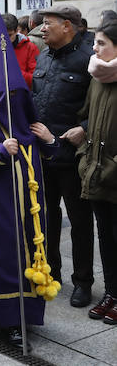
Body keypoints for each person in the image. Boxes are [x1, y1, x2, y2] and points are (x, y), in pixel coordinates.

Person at [0, 2, 60, 351]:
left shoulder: (31, 126)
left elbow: (51, 158)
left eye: (21, 97)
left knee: (30, 259)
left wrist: (49, 141)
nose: (15, 103)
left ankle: (27, 314)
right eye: (10, 97)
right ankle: (4, 318)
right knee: (3, 259)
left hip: (31, 211)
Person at [33, 5, 95, 308]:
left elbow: (101, 105)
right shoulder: (44, 56)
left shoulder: (88, 60)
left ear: (67, 26)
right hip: (43, 153)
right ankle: (51, 271)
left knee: (80, 221)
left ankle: (83, 281)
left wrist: (83, 128)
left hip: (73, 156)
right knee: (46, 217)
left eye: (48, 24)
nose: (42, 29)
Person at [79, 19, 117, 324]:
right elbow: (88, 118)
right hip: (96, 170)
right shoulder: (96, 75)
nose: (94, 48)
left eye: (101, 43)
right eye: (94, 42)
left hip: (114, 172)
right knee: (105, 237)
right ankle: (112, 293)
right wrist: (84, 154)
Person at [2, 12, 39, 88]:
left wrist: (15, 72)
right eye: (2, 36)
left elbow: (36, 79)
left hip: (21, 95)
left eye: (9, 35)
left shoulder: (30, 48)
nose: (5, 40)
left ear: (16, 31)